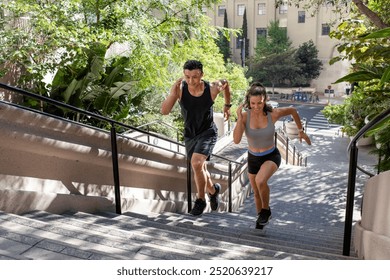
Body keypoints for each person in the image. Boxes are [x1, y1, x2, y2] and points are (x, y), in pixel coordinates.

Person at [233, 82, 311, 229]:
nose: (256, 107)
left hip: (271, 155)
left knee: (261, 181)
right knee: (256, 192)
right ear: (248, 101)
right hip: (253, 157)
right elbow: (236, 140)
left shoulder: (273, 114)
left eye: (260, 103)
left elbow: (293, 110)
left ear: (265, 100)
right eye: (253, 103)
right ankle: (260, 220)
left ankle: (266, 210)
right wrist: (238, 118)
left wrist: (301, 130)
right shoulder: (244, 117)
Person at [161, 60, 232, 216]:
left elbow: (225, 83)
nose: (190, 81)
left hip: (208, 132)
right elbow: (164, 111)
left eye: (194, 77)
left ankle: (200, 200)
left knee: (196, 163)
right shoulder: (180, 89)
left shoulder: (212, 89)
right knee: (201, 168)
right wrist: (173, 94)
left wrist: (227, 105)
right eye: (187, 77)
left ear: (202, 75)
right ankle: (213, 191)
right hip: (190, 135)